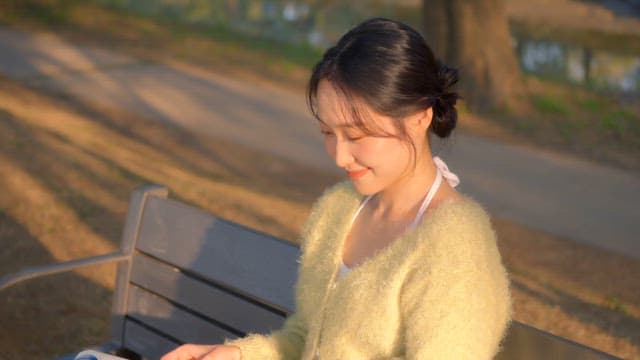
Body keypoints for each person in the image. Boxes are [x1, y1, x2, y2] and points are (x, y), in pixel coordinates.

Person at [161, 17, 512, 360]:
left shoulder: (454, 243)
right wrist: (237, 354)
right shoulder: (338, 208)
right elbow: (306, 338)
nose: (340, 156)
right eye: (328, 133)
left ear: (420, 117)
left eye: (356, 135)